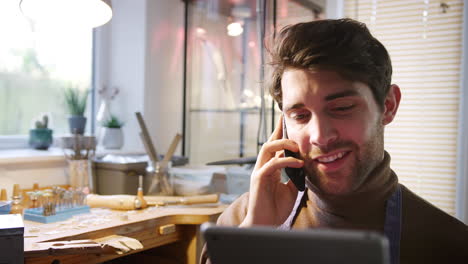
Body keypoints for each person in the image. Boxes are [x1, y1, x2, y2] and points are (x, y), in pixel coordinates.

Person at [200, 18, 468, 264]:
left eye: (341, 108)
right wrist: (253, 238)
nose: (320, 136)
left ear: (388, 105)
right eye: (300, 115)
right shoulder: (239, 223)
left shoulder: (448, 244)